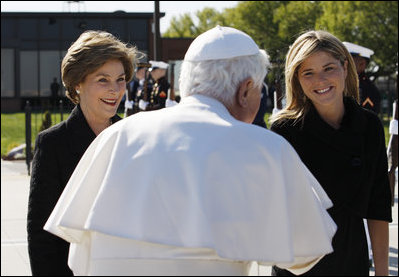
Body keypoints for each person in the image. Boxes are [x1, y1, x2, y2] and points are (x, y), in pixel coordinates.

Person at [44, 26, 336, 276]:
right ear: (246, 89)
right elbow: (306, 253)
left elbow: (78, 255)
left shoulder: (116, 136)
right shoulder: (265, 148)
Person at [269, 30, 392, 276]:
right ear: (297, 79)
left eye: (329, 68)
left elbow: (378, 207)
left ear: (345, 68)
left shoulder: (369, 126)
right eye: (308, 73)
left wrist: (382, 272)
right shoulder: (285, 131)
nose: (321, 81)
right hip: (299, 267)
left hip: (351, 261)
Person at [27, 30, 137, 276]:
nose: (115, 90)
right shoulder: (53, 144)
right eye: (103, 80)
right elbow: (42, 236)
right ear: (77, 83)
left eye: (120, 79)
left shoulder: (134, 137)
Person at [343, 41, 381, 115]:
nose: (343, 63)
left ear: (362, 64)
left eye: (348, 60)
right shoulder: (339, 82)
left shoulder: (368, 90)